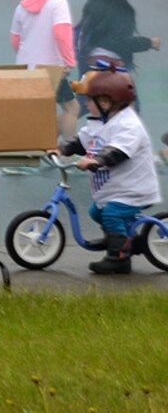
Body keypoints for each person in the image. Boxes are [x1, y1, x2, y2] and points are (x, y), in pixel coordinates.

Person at [59, 69, 159, 275]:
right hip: (114, 189)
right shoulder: (98, 123)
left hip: (133, 190)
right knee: (97, 212)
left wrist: (95, 160)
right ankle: (121, 239)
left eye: (89, 100)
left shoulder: (128, 125)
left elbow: (117, 152)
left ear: (106, 102)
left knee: (111, 214)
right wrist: (61, 149)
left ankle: (119, 258)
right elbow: (81, 141)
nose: (85, 104)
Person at [13, 0, 80, 139]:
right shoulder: (58, 2)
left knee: (37, 111)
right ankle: (66, 152)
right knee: (72, 108)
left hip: (25, 68)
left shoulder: (21, 6)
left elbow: (15, 39)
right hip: (50, 68)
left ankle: (32, 149)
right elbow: (62, 33)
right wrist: (69, 62)